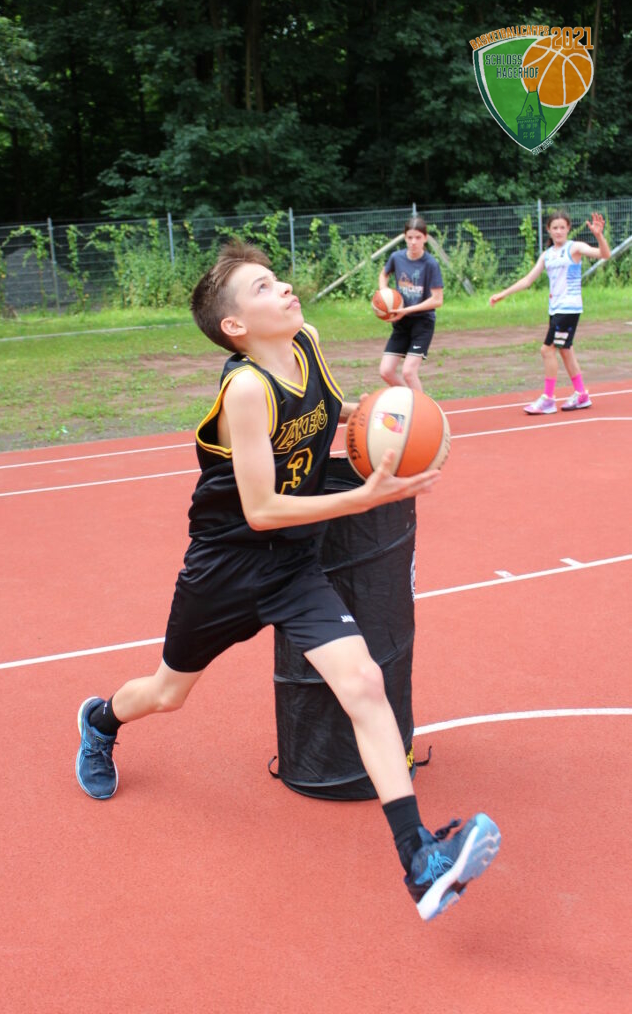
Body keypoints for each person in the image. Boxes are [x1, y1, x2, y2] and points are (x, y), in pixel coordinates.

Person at [75, 240, 500, 922]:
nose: (284, 289)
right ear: (235, 325)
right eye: (263, 288)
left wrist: (382, 420)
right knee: (167, 693)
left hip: (293, 566)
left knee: (364, 683)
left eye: (277, 279)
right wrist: (363, 498)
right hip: (226, 567)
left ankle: (419, 859)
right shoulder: (246, 389)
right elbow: (261, 509)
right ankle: (100, 722)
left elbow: (329, 416)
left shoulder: (308, 343)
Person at [489, 210, 611, 414]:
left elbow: (605, 255)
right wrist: (503, 294)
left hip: (568, 309)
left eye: (562, 227)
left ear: (568, 228)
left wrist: (599, 236)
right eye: (555, 228)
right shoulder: (547, 255)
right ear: (548, 230)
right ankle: (581, 394)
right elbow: (528, 280)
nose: (559, 231)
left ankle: (548, 399)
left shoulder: (575, 248)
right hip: (556, 309)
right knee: (565, 350)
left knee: (547, 350)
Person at [378, 216, 444, 393]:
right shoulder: (396, 257)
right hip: (401, 323)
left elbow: (437, 299)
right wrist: (384, 293)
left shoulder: (430, 264)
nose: (413, 242)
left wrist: (406, 310)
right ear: (405, 237)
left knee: (408, 372)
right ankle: (412, 399)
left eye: (418, 237)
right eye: (410, 237)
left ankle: (421, 407)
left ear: (425, 238)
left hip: (422, 323)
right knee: (386, 371)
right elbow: (384, 274)